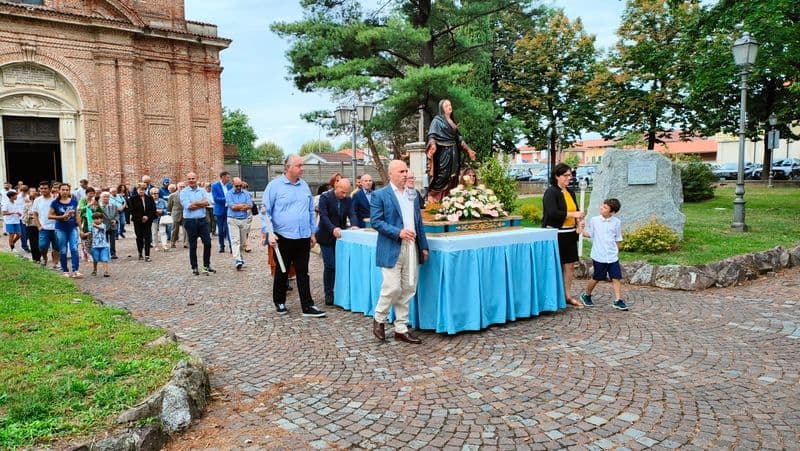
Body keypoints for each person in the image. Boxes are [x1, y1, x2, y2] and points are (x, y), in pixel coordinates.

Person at [370, 160, 429, 344]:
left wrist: (424, 246)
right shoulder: (380, 195)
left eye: (406, 171)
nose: (405, 174)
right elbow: (376, 221)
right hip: (391, 246)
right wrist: (399, 232)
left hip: (412, 246)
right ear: (391, 174)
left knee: (409, 288)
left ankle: (401, 328)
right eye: (401, 171)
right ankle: (379, 318)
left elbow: (418, 222)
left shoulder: (412, 194)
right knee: (393, 287)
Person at [262, 154, 326, 317]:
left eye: (302, 165)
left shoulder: (304, 186)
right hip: (282, 237)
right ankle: (280, 301)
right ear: (288, 167)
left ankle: (307, 305)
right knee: (282, 271)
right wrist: (269, 233)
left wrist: (312, 232)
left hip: (303, 236)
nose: (302, 168)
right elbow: (265, 211)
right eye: (299, 165)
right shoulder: (274, 186)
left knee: (303, 271)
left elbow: (310, 210)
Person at [541, 162, 584, 308]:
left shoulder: (570, 192)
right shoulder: (551, 192)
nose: (569, 178)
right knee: (555, 265)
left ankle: (567, 295)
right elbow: (552, 213)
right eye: (566, 175)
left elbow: (576, 210)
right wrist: (573, 214)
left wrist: (579, 222)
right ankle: (552, 296)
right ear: (557, 176)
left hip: (570, 233)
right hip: (556, 234)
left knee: (570, 266)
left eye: (570, 175)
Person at [578, 198, 629, 311]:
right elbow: (589, 234)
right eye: (602, 205)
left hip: (612, 256)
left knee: (616, 277)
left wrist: (616, 251)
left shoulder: (617, 222)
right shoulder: (594, 220)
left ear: (612, 212)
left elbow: (618, 238)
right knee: (597, 277)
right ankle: (586, 295)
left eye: (605, 207)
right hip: (599, 255)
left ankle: (618, 300)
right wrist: (581, 230)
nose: (602, 207)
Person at [316, 178, 359, 305]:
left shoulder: (347, 200)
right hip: (326, 236)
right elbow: (323, 216)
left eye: (346, 193)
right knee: (330, 265)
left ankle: (339, 291)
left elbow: (352, 213)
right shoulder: (325, 198)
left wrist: (354, 224)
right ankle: (328, 292)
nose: (344, 195)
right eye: (342, 192)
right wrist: (332, 228)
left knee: (339, 265)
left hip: (340, 237)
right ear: (336, 187)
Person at [425, 99, 477, 203]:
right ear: (442, 109)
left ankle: (449, 199)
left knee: (453, 176)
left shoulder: (453, 122)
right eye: (446, 106)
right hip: (443, 152)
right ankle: (433, 198)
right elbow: (432, 135)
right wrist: (433, 144)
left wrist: (469, 150)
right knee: (442, 174)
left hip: (454, 152)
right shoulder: (437, 120)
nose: (449, 107)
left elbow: (459, 139)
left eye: (450, 105)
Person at [180, 172, 215, 275]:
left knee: (208, 243)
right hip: (190, 221)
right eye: (189, 178)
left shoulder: (202, 190)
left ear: (197, 179)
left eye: (193, 178)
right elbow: (188, 206)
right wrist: (201, 203)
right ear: (187, 180)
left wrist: (195, 203)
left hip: (202, 220)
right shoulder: (184, 192)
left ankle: (206, 265)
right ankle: (194, 267)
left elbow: (208, 202)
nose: (191, 180)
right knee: (193, 245)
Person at [49, 183, 81, 277]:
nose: (65, 192)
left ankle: (76, 270)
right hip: (60, 229)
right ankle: (65, 270)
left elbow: (77, 216)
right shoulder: (55, 203)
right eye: (63, 190)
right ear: (59, 190)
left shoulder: (74, 201)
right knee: (63, 250)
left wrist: (81, 229)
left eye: (67, 190)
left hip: (72, 228)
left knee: (74, 248)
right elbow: (49, 216)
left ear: (69, 191)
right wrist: (61, 216)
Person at [225, 177, 253, 270]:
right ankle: (237, 259)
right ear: (233, 185)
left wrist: (239, 206)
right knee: (235, 240)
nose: (238, 187)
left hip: (243, 219)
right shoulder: (229, 194)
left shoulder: (245, 193)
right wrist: (243, 206)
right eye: (237, 186)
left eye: (240, 186)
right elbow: (232, 206)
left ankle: (240, 257)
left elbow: (250, 205)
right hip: (232, 219)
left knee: (242, 241)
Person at [33, 181, 59, 268]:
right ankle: (44, 258)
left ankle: (55, 263)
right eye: (41, 188)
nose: (43, 190)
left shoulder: (55, 199)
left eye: (45, 188)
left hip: (56, 227)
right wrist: (39, 226)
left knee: (56, 247)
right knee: (42, 246)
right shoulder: (37, 200)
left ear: (50, 189)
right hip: (44, 228)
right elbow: (35, 214)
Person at [130, 185, 156, 261]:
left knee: (147, 237)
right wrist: (141, 217)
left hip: (148, 221)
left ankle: (147, 255)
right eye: (140, 190)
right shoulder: (133, 199)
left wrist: (147, 216)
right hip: (138, 221)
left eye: (143, 189)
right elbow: (132, 210)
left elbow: (153, 209)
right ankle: (140, 253)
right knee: (139, 237)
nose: (141, 191)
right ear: (137, 190)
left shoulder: (149, 198)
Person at [211, 171, 232, 252]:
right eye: (227, 177)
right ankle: (222, 246)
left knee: (229, 228)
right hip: (219, 210)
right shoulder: (215, 186)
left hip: (228, 210)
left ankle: (231, 246)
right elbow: (216, 199)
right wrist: (227, 199)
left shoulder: (229, 186)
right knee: (220, 230)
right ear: (222, 177)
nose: (229, 179)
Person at [98, 191, 119, 259]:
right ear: (101, 198)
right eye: (104, 197)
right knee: (105, 240)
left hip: (113, 226)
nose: (106, 198)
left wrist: (115, 220)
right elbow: (97, 216)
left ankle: (113, 254)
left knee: (113, 241)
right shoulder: (99, 207)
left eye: (107, 197)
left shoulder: (113, 205)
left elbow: (116, 214)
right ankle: (105, 254)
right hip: (103, 226)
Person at [23, 188, 41, 262]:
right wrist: (29, 216)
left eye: (36, 198)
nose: (35, 199)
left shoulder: (40, 205)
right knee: (33, 242)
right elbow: (23, 217)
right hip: (31, 225)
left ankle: (40, 257)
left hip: (40, 225)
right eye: (33, 198)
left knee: (40, 242)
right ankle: (35, 258)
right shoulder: (27, 205)